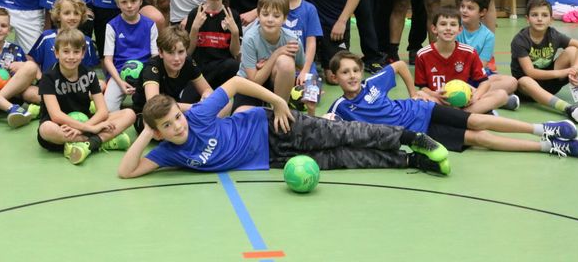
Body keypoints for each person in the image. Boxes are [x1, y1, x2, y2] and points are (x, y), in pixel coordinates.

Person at [117, 75, 452, 177]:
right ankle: (409, 160)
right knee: (343, 158)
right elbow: (126, 172)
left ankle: (413, 138)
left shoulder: (199, 116)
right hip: (272, 160)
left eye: (176, 116)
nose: (178, 126)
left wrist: (277, 102)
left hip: (272, 127)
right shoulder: (167, 152)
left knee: (345, 132)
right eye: (168, 125)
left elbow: (234, 83)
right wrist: (147, 129)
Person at [328, 52, 578, 157]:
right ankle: (549, 147)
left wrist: (415, 92)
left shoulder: (373, 83)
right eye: (344, 73)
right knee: (480, 138)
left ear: (361, 72)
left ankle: (544, 128)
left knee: (477, 119)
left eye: (354, 71)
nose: (351, 76)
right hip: (420, 134)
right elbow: (326, 126)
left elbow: (398, 66)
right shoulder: (340, 107)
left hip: (423, 109)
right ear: (334, 77)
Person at [37, 28, 136, 165]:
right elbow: (56, 115)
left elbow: (102, 111)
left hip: (85, 122)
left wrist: (82, 127)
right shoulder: (48, 77)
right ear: (57, 53)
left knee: (129, 114)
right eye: (66, 51)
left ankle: (82, 144)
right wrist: (91, 129)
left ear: (83, 53)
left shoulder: (89, 74)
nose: (71, 56)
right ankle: (99, 141)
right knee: (45, 129)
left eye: (76, 52)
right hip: (60, 126)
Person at [413, 7, 518, 115]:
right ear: (434, 29)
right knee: (419, 96)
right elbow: (423, 87)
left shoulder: (469, 52)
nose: (448, 28)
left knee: (501, 95)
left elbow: (484, 83)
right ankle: (471, 115)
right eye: (443, 24)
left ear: (460, 29)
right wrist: (435, 95)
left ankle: (459, 116)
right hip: (438, 101)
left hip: (464, 101)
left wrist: (475, 97)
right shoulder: (423, 55)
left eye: (453, 25)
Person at [131, 26, 212, 130]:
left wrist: (206, 96)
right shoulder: (152, 68)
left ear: (186, 51)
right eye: (170, 53)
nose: (177, 58)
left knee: (223, 105)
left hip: (175, 112)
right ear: (160, 53)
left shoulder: (188, 63)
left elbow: (207, 89)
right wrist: (195, 108)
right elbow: (156, 106)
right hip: (148, 117)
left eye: (181, 52)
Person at [237, 0, 305, 106]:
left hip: (274, 84)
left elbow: (301, 67)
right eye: (265, 14)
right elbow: (255, 81)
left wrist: (275, 65)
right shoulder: (250, 38)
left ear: (284, 19)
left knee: (286, 61)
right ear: (258, 16)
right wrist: (276, 55)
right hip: (249, 85)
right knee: (244, 116)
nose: (270, 19)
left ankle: (280, 108)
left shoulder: (292, 40)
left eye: (276, 16)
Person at [104, 0, 159, 111]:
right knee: (108, 109)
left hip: (145, 74)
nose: (129, 6)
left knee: (154, 108)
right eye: (124, 2)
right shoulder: (112, 26)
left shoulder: (150, 25)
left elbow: (155, 56)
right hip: (119, 74)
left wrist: (148, 78)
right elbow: (107, 60)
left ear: (141, 1)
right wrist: (120, 82)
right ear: (117, 4)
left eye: (133, 1)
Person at [277, 0, 323, 113]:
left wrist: (305, 70)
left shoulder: (310, 9)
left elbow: (311, 43)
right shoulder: (274, 7)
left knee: (311, 97)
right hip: (279, 64)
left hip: (303, 64)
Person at [186, 0, 242, 91]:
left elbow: (236, 54)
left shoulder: (232, 15)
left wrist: (235, 32)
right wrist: (195, 28)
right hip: (199, 71)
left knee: (233, 65)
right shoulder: (195, 14)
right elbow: (188, 52)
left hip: (222, 69)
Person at [28, 0, 101, 74]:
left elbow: (89, 69)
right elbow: (31, 59)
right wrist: (41, 78)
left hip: (75, 85)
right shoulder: (47, 37)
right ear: (58, 16)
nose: (72, 17)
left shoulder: (86, 41)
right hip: (48, 84)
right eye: (67, 13)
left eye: (76, 13)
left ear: (82, 16)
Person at [458, 0, 499, 72]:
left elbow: (481, 64)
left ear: (482, 12)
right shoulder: (454, 29)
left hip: (477, 72)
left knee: (511, 81)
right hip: (456, 71)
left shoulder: (488, 36)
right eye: (462, 6)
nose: (464, 11)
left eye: (470, 8)